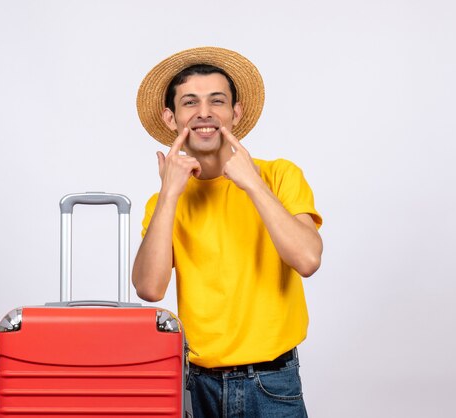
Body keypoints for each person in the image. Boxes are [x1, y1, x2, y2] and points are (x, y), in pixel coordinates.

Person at [133, 47, 323, 417]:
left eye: (216, 101)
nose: (204, 113)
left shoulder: (278, 176)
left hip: (272, 384)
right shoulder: (164, 202)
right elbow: (149, 288)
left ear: (235, 113)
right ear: (171, 118)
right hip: (195, 384)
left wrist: (252, 184)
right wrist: (170, 194)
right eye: (190, 102)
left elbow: (308, 259)